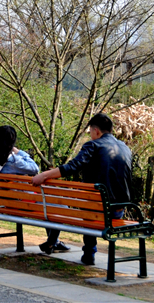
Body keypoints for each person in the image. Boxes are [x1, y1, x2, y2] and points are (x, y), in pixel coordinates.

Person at [32, 112, 132, 265]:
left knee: (91, 203)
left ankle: (89, 252)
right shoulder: (125, 147)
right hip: (119, 210)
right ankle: (88, 252)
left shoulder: (93, 145)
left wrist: (44, 175)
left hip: (97, 211)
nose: (90, 135)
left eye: (90, 131)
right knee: (94, 201)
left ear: (96, 131)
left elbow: (73, 166)